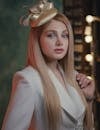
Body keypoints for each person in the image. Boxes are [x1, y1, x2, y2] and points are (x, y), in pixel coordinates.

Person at [2, 0, 95, 130]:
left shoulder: (74, 76)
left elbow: (87, 127)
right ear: (37, 40)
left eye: (65, 35)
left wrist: (89, 100)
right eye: (51, 35)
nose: (60, 42)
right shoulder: (28, 80)